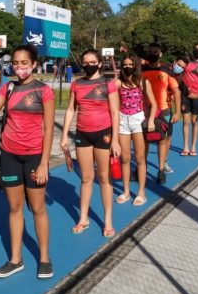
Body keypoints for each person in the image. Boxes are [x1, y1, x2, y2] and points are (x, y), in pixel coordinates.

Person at [0, 44, 55, 279]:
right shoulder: (8, 88)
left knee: (38, 209)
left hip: (34, 157)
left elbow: (49, 129)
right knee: (14, 208)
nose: (19, 67)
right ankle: (15, 259)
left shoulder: (44, 91)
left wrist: (44, 163)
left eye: (24, 63)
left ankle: (44, 258)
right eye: (15, 63)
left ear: (34, 64)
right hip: (9, 156)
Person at [60, 49, 121, 238]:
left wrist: (115, 141)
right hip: (82, 135)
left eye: (92, 62)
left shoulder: (108, 84)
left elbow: (115, 113)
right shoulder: (77, 84)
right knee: (86, 178)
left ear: (100, 64)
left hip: (104, 134)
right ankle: (83, 218)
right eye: (85, 62)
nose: (88, 65)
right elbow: (71, 110)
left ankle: (108, 221)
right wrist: (64, 136)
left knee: (104, 178)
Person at [114, 53, 157, 206]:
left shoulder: (143, 82)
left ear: (136, 66)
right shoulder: (118, 83)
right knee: (125, 159)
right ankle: (126, 191)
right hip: (123, 121)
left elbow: (154, 104)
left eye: (130, 64)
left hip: (138, 121)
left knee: (139, 159)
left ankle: (141, 192)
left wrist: (151, 120)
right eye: (125, 65)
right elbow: (113, 105)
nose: (127, 67)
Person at [141, 43, 181, 184]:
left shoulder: (167, 71)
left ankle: (161, 169)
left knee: (162, 140)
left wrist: (177, 111)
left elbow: (176, 91)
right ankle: (142, 167)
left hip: (164, 111)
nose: (153, 53)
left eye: (155, 51)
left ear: (160, 54)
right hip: (145, 111)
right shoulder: (141, 71)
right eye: (150, 51)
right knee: (144, 140)